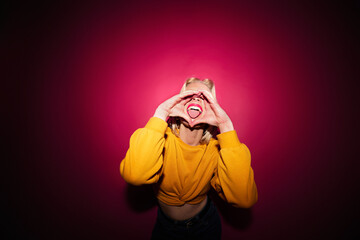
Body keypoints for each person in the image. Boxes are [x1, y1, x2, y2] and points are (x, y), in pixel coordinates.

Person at [120, 78, 258, 239]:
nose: (196, 98)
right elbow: (136, 175)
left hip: (206, 225)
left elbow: (243, 199)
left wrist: (225, 125)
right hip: (166, 228)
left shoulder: (218, 150)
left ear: (213, 108)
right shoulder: (160, 140)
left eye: (205, 98)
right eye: (189, 95)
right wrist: (161, 113)